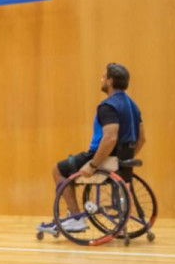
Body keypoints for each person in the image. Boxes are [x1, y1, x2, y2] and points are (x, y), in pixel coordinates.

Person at [39, 62, 145, 234]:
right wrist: (123, 160)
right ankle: (74, 216)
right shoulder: (133, 106)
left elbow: (110, 138)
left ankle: (75, 219)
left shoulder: (108, 106)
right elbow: (142, 138)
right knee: (70, 165)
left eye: (103, 76)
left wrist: (93, 164)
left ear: (110, 81)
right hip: (121, 160)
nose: (101, 79)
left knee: (59, 169)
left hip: (100, 157)